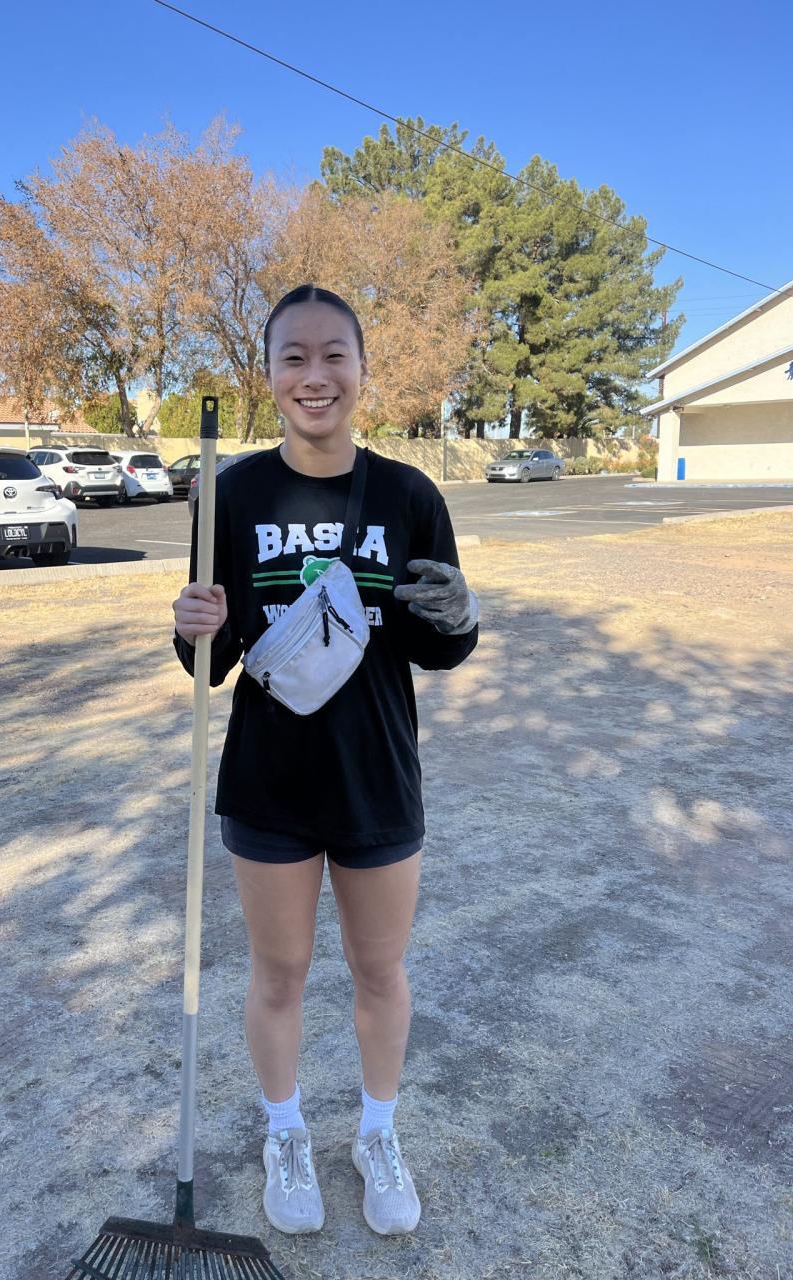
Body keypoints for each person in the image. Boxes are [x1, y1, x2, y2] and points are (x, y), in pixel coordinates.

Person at [172, 284, 478, 1238]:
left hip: (377, 777)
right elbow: (210, 665)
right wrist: (191, 628)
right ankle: (287, 1132)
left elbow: (436, 645)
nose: (315, 375)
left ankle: (377, 1135)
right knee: (280, 974)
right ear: (268, 375)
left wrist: (461, 619)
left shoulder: (408, 496)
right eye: (293, 357)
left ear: (362, 370)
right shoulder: (232, 495)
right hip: (268, 784)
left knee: (380, 972)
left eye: (333, 354)